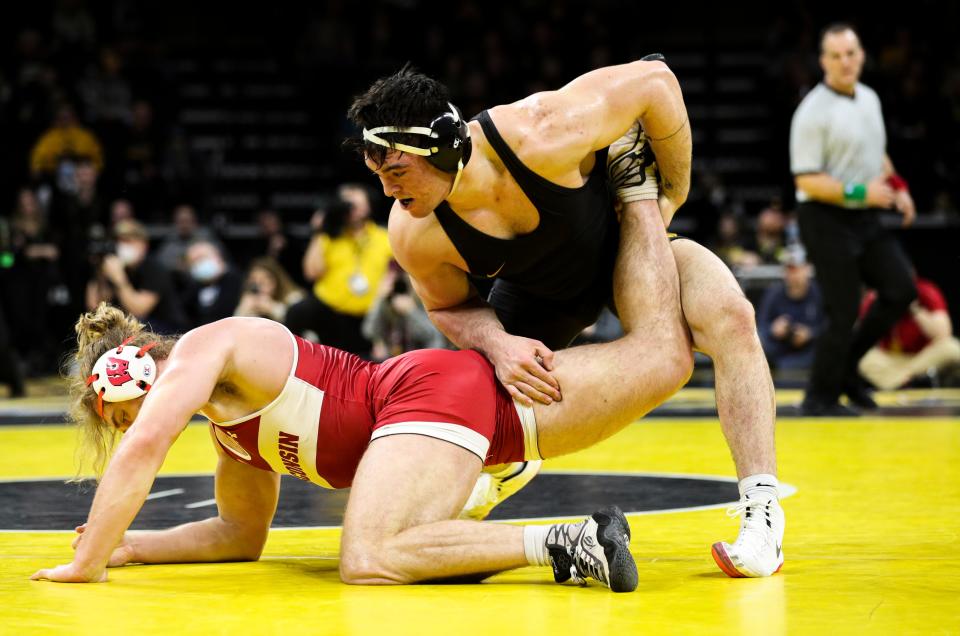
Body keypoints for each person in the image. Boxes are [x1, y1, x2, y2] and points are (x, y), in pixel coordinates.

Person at [32, 199, 689, 590]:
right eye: (116, 425)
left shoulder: (211, 344)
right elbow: (239, 536)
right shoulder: (229, 434)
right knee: (662, 362)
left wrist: (86, 563)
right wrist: (133, 545)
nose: (129, 429)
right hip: (428, 424)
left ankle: (570, 542)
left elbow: (147, 446)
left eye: (122, 412)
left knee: (368, 557)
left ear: (139, 368)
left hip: (422, 394)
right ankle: (567, 536)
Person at [348, 62, 784, 577]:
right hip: (539, 300)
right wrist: (498, 343)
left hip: (631, 248)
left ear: (442, 145)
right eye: (379, 177)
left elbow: (656, 81)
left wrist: (673, 192)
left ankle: (763, 516)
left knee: (732, 316)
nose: (388, 193)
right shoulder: (414, 230)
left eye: (396, 172)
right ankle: (498, 478)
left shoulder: (541, 130)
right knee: (478, 398)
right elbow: (447, 306)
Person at [790, 23, 918, 416]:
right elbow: (806, 178)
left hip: (863, 216)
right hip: (823, 216)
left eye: (851, 53)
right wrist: (862, 192)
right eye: (836, 55)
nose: (845, 62)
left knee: (901, 289)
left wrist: (898, 187)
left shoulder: (869, 99)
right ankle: (819, 397)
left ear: (861, 55)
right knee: (843, 309)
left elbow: (876, 153)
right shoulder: (812, 112)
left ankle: (847, 371)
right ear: (824, 61)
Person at [285, 185, 392, 355]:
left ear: (369, 206)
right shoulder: (329, 236)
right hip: (330, 313)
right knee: (297, 311)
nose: (351, 207)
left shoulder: (384, 237)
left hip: (367, 318)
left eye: (356, 202)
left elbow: (398, 272)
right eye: (346, 203)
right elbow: (311, 273)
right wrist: (320, 230)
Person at [85, 219, 188, 335]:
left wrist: (119, 279)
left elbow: (139, 311)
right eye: (120, 241)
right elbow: (94, 307)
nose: (122, 245)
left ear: (144, 245)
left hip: (167, 330)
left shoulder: (154, 268)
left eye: (128, 241)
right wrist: (100, 274)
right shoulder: (119, 267)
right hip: (136, 330)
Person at [858, 274, 960, 390]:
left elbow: (944, 334)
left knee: (952, 348)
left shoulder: (925, 290)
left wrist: (914, 308)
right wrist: (881, 309)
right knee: (860, 356)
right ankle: (910, 382)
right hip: (892, 360)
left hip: (922, 359)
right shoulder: (877, 297)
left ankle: (898, 382)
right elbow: (862, 337)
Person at [757, 250, 823, 371]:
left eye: (796, 269)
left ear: (807, 269)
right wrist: (773, 329)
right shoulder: (773, 294)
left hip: (809, 351)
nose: (792, 275)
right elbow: (760, 327)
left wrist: (810, 333)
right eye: (788, 270)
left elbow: (829, 326)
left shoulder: (819, 294)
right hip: (779, 349)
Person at [233, 257, 305, 323]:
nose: (258, 286)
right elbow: (235, 327)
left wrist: (272, 308)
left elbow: (298, 321)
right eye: (253, 281)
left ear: (276, 281)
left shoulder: (294, 297)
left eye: (263, 281)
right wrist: (244, 309)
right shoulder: (250, 299)